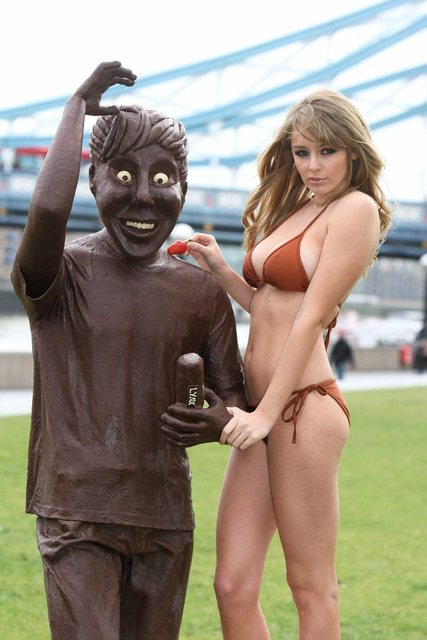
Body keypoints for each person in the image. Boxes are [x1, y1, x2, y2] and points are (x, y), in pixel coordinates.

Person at [11, 61, 245, 640]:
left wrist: (217, 420)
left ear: (183, 189)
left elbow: (237, 402)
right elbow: (47, 212)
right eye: (122, 175)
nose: (143, 196)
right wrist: (76, 108)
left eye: (164, 179)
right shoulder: (61, 276)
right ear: (93, 183)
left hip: (164, 513)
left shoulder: (202, 293)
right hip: (78, 511)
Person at [162, 88, 392, 639]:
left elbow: (310, 319)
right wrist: (222, 271)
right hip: (263, 411)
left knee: (310, 586)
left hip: (300, 412)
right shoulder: (301, 209)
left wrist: (265, 416)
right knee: (232, 585)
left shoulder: (355, 210)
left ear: (353, 151)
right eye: (301, 152)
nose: (313, 165)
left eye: (327, 151)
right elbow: (270, 307)